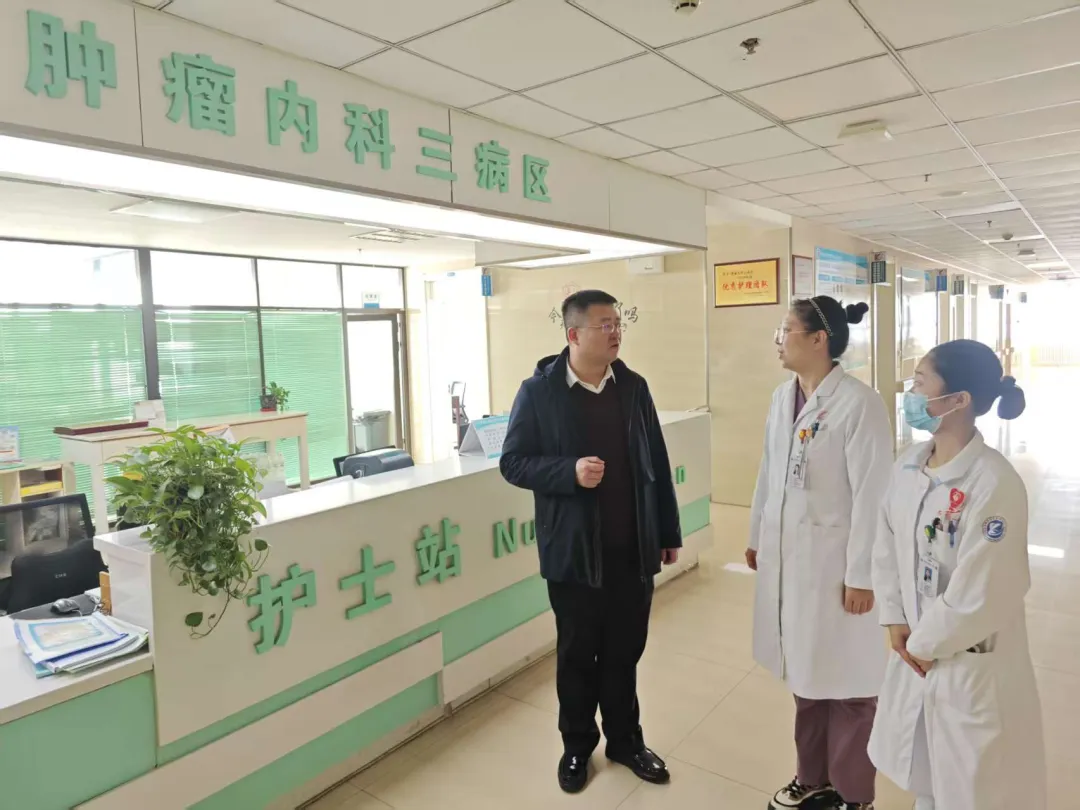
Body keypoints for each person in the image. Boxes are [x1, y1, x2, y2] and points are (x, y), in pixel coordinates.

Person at [500, 289, 681, 794]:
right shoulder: (539, 393)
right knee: (578, 655)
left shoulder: (634, 387)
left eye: (618, 323)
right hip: (573, 554)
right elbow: (513, 462)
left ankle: (625, 741)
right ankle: (577, 746)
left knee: (625, 652)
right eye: (605, 324)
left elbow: (657, 463)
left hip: (631, 550)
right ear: (574, 334)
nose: (615, 331)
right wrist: (569, 472)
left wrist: (666, 532)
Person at [869, 339, 1046, 810]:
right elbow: (886, 543)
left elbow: (983, 594)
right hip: (917, 651)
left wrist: (921, 645)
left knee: (971, 791)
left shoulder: (994, 484)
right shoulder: (909, 464)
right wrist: (894, 617)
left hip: (967, 664)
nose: (910, 393)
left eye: (920, 382)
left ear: (959, 400)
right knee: (928, 778)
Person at [747, 296, 893, 810]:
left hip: (838, 567)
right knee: (806, 675)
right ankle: (812, 778)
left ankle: (855, 795)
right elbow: (769, 472)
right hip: (793, 562)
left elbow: (874, 495)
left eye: (785, 329)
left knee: (850, 685)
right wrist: (757, 534)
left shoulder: (859, 404)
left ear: (817, 339)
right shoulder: (780, 398)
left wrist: (863, 575)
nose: (777, 339)